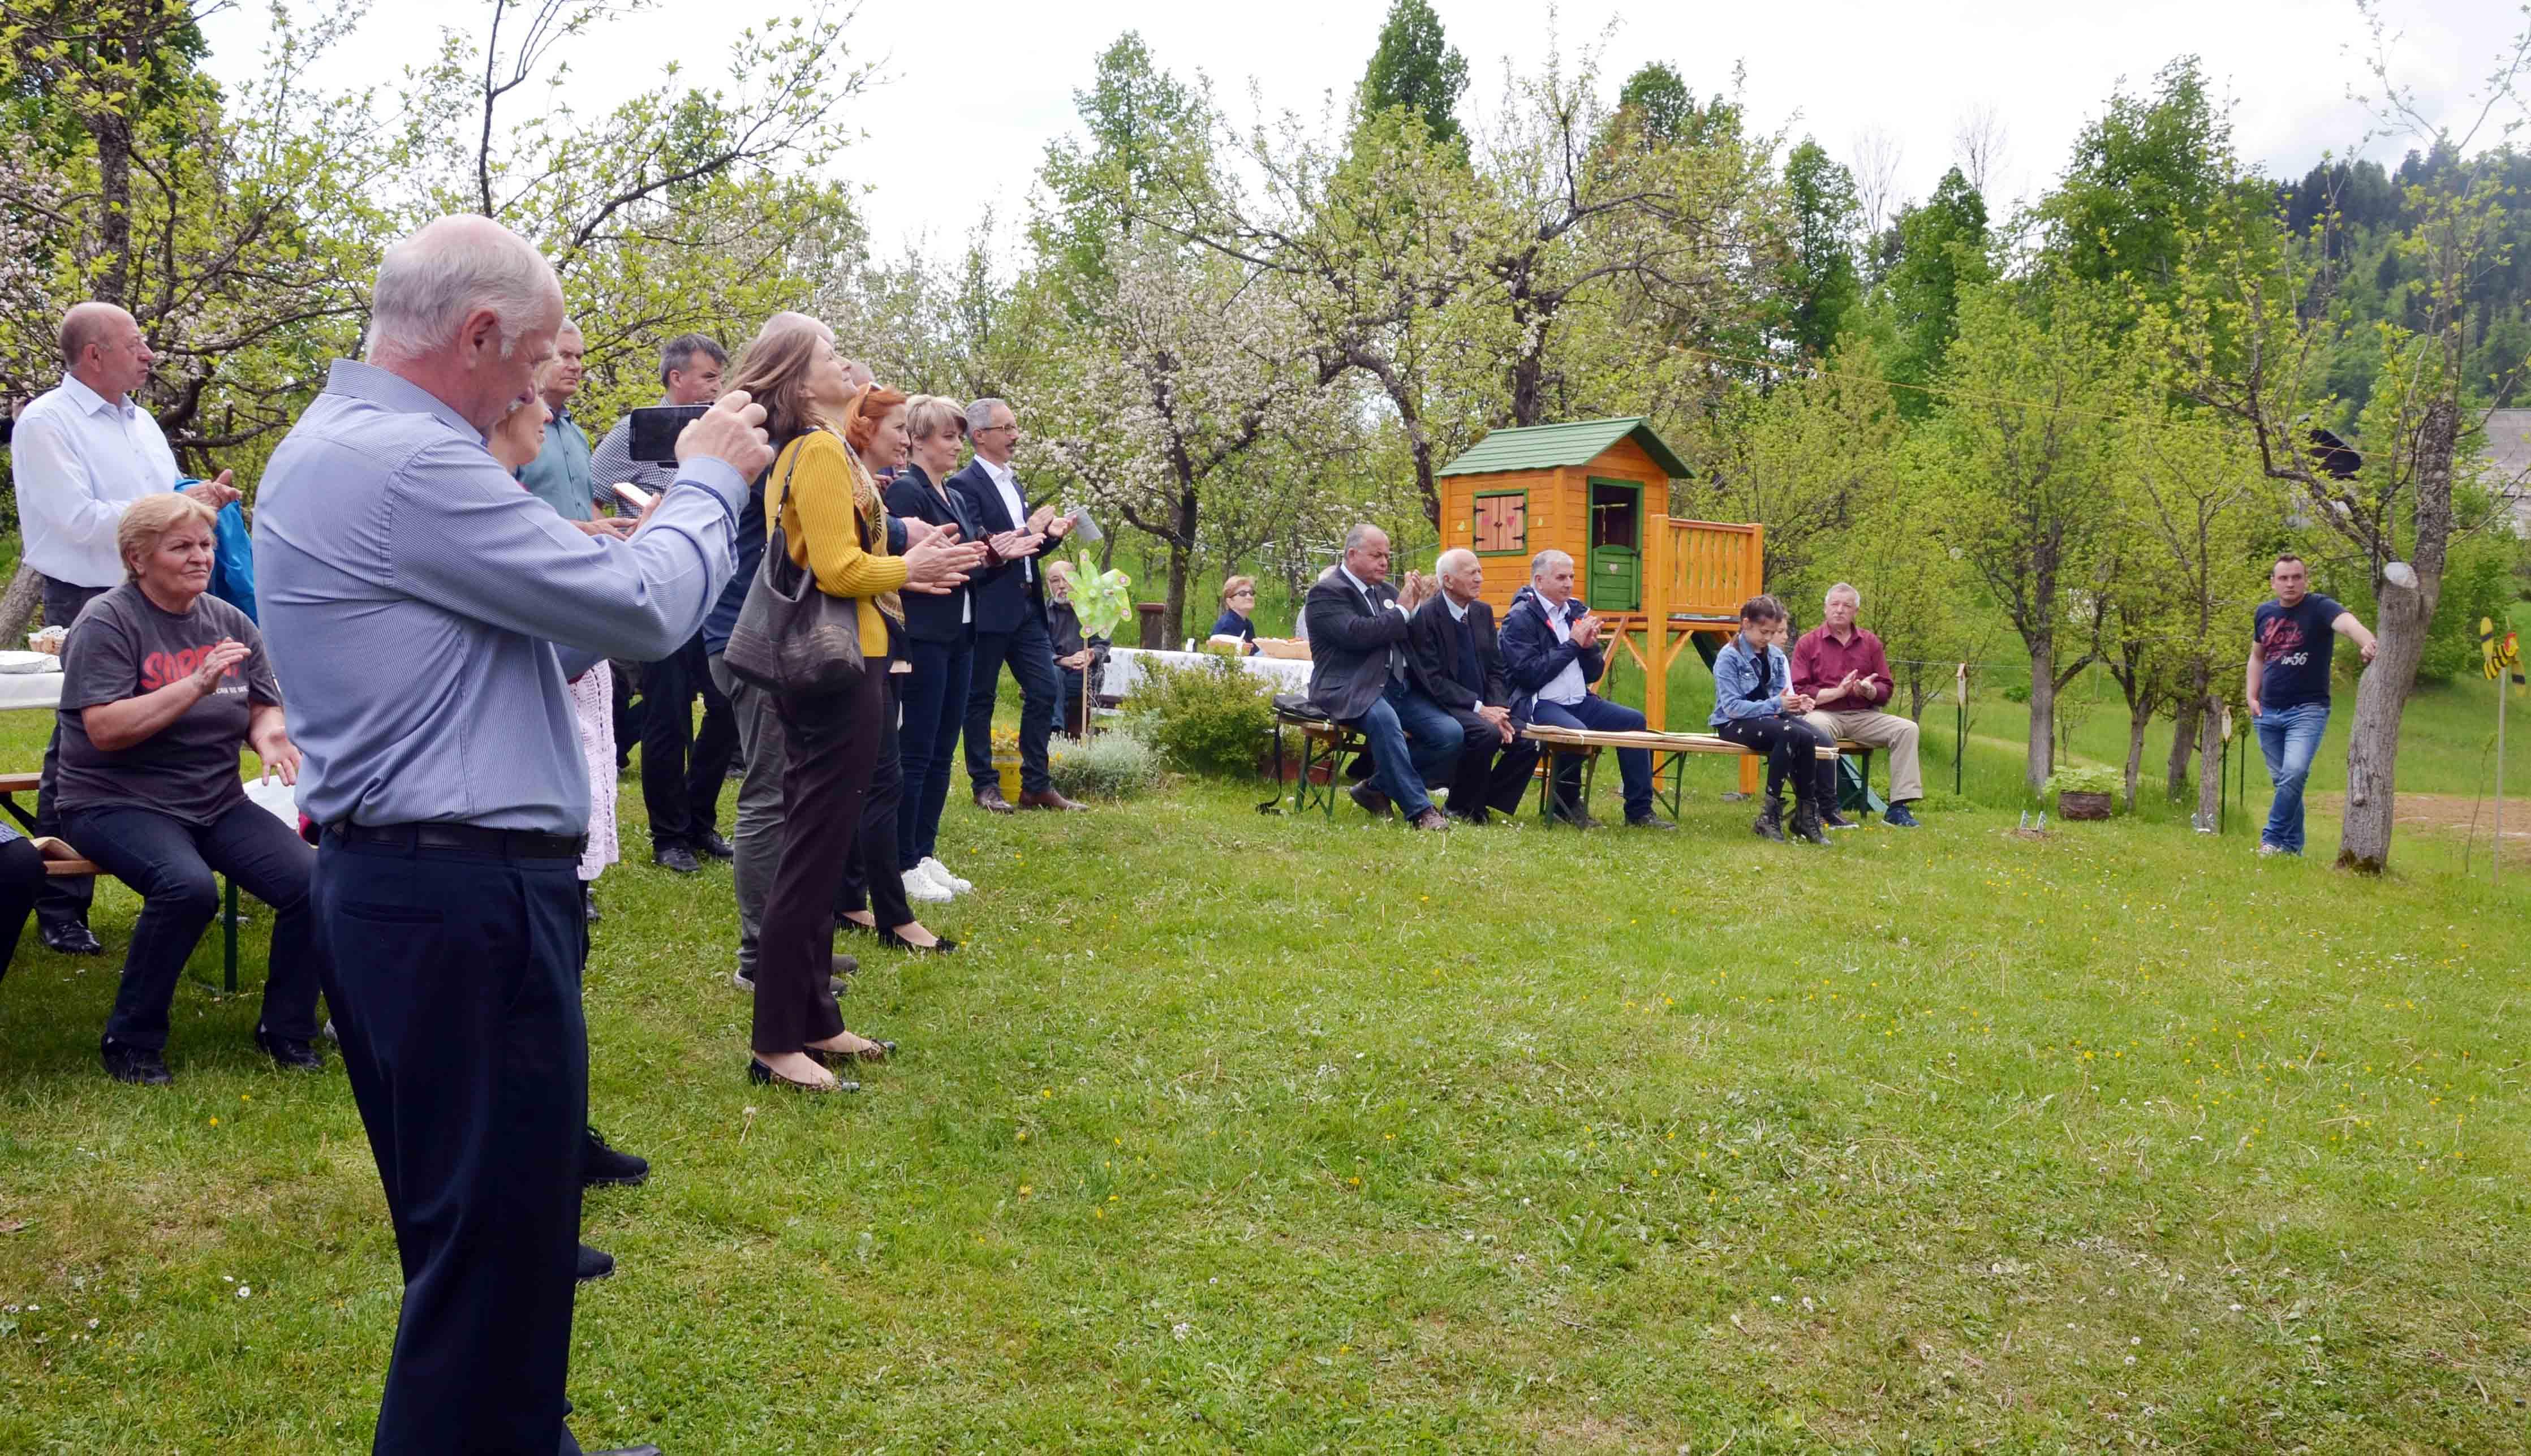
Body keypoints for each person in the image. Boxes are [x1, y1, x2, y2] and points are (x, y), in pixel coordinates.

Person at [255, 213, 772, 1456]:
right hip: (456, 898)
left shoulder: (356, 449)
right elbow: (647, 614)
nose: (547, 384)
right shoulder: (403, 461)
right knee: (484, 1257)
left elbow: (547, 642)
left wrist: (596, 576)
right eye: (538, 356)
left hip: (437, 890)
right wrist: (707, 482)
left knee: (508, 1237)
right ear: (478, 334)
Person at [733, 316, 979, 1095]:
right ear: (803, 384)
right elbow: (838, 568)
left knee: (823, 846)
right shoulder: (812, 450)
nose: (848, 362)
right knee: (810, 858)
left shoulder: (832, 450)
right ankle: (776, 1039)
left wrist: (910, 570)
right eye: (830, 355)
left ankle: (816, 1018)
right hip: (836, 673)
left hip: (859, 664)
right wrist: (906, 567)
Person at [53, 492, 317, 1084]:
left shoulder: (228, 620)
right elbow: (105, 730)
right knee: (187, 888)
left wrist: (271, 737)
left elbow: (261, 706)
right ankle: (132, 1041)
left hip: (215, 801)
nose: (201, 558)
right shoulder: (108, 620)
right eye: (182, 547)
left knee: (316, 885)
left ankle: (288, 1030)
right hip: (113, 802)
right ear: (138, 558)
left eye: (205, 545)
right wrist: (193, 686)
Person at [10, 301, 242, 957]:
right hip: (89, 592)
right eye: (136, 343)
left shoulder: (140, 421)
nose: (149, 355)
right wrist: (175, 511)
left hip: (162, 592)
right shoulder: (47, 423)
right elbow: (76, 520)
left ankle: (191, 874)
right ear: (94, 355)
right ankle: (60, 903)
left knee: (183, 725)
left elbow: (165, 502)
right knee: (80, 741)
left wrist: (198, 501)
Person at [705, 334, 877, 996]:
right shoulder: (763, 448)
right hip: (758, 638)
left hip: (777, 631)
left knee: (795, 797)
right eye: (828, 353)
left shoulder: (780, 440)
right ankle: (761, 955)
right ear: (793, 374)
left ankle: (796, 942)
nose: (843, 362)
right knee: (772, 795)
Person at [823, 384, 967, 949]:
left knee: (882, 778)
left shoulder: (863, 481)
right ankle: (825, 921)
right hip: (839, 644)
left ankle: (874, 906)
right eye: (899, 428)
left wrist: (912, 553)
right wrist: (909, 569)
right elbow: (841, 569)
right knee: (859, 784)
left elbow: (877, 548)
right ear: (862, 424)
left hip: (875, 639)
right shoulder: (822, 462)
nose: (906, 439)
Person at [592, 333, 742, 874]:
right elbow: (602, 481)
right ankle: (669, 837)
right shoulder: (636, 431)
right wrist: (650, 505)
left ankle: (701, 818)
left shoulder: (719, 432)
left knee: (726, 705)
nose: (715, 387)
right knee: (667, 715)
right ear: (676, 378)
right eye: (706, 377)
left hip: (718, 588)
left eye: (719, 378)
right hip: (664, 577)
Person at [949, 397, 1083, 813]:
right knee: (981, 698)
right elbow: (985, 548)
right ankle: (985, 785)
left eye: (1015, 427)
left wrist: (1052, 536)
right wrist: (1029, 528)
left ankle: (1036, 785)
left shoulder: (1014, 483)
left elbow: (1023, 549)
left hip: (1027, 609)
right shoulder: (962, 487)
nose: (1015, 436)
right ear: (980, 436)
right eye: (1006, 429)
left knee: (1046, 689)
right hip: (989, 606)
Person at [1300, 524, 1461, 831]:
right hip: (1349, 688)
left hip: (1396, 688)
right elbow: (1356, 635)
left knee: (1450, 735)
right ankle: (1421, 811)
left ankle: (1375, 788)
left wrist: (1415, 613)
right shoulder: (1326, 593)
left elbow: (1411, 640)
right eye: (1377, 555)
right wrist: (1402, 611)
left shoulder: (1388, 592)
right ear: (1352, 555)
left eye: (1387, 556)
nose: (1385, 562)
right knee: (1385, 722)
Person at [1500, 549, 1675, 831]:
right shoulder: (1519, 618)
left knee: (1633, 721)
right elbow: (1529, 674)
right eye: (1561, 577)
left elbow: (1594, 673)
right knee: (1578, 733)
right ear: (1539, 580)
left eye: (1571, 577)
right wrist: (1572, 645)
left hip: (1579, 700)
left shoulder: (1576, 612)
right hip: (1539, 702)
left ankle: (1640, 811)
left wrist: (1590, 647)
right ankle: (1565, 806)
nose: (1569, 584)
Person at [885, 394, 982, 899]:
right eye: (948, 436)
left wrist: (992, 554)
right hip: (924, 632)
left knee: (944, 748)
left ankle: (924, 849)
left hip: (960, 633)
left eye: (960, 436)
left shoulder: (957, 496)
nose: (956, 445)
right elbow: (915, 560)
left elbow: (970, 557)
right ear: (918, 439)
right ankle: (902, 860)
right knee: (917, 749)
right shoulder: (907, 492)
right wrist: (970, 554)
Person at [2247, 553, 2377, 856]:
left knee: (2294, 773)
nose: (2290, 583)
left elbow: (2348, 624)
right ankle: (2292, 850)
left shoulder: (2319, 607)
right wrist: (2251, 697)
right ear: (2273, 582)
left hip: (2307, 710)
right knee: (2285, 783)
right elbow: (2257, 656)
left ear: (2306, 580)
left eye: (2296, 577)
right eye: (2283, 578)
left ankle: (2272, 839)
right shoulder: (2264, 612)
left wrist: (2368, 642)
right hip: (2267, 711)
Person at [1405, 549, 1538, 825]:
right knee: (1485, 733)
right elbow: (1433, 681)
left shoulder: (1482, 612)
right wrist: (1480, 709)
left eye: (1480, 572)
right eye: (1472, 573)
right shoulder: (1427, 618)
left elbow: (1496, 669)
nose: (1479, 579)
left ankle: (1478, 801)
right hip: (1445, 704)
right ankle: (1460, 806)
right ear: (1448, 581)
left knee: (1529, 740)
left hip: (1487, 705)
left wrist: (1498, 708)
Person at [1792, 583, 1925, 830]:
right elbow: (1800, 691)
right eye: (1835, 604)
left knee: (1907, 729)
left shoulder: (1870, 643)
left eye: (1847, 606)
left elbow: (1886, 689)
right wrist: (1837, 693)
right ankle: (1825, 807)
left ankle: (1897, 809)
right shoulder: (1808, 643)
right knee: (1816, 726)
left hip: (1864, 715)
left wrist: (1870, 691)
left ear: (1856, 611)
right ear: (1825, 608)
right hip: (1825, 713)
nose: (1840, 610)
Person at [1710, 594, 1836, 845]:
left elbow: (1781, 699)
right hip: (1732, 724)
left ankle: (1806, 813)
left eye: (1773, 632)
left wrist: (1797, 705)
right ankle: (1769, 815)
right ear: (1746, 624)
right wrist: (1777, 705)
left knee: (1812, 736)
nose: (1768, 638)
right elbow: (1732, 707)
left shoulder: (1776, 656)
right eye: (1764, 632)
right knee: (1790, 733)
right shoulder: (1728, 657)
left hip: (1772, 720)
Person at [1045, 560, 1111, 740]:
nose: (1062, 586)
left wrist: (1091, 654)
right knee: (1054, 674)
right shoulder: (1041, 612)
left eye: (1067, 580)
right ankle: (1058, 728)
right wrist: (1062, 660)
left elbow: (1102, 644)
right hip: (1054, 669)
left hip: (1084, 673)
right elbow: (1039, 646)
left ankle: (1058, 733)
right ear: (1048, 585)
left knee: (1063, 682)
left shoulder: (1091, 610)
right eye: (1055, 581)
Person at [1209, 576, 1261, 653]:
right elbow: (1230, 660)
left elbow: (1254, 654)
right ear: (1230, 602)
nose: (1249, 597)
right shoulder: (1226, 625)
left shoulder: (1248, 624)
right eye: (1243, 593)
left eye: (1251, 593)